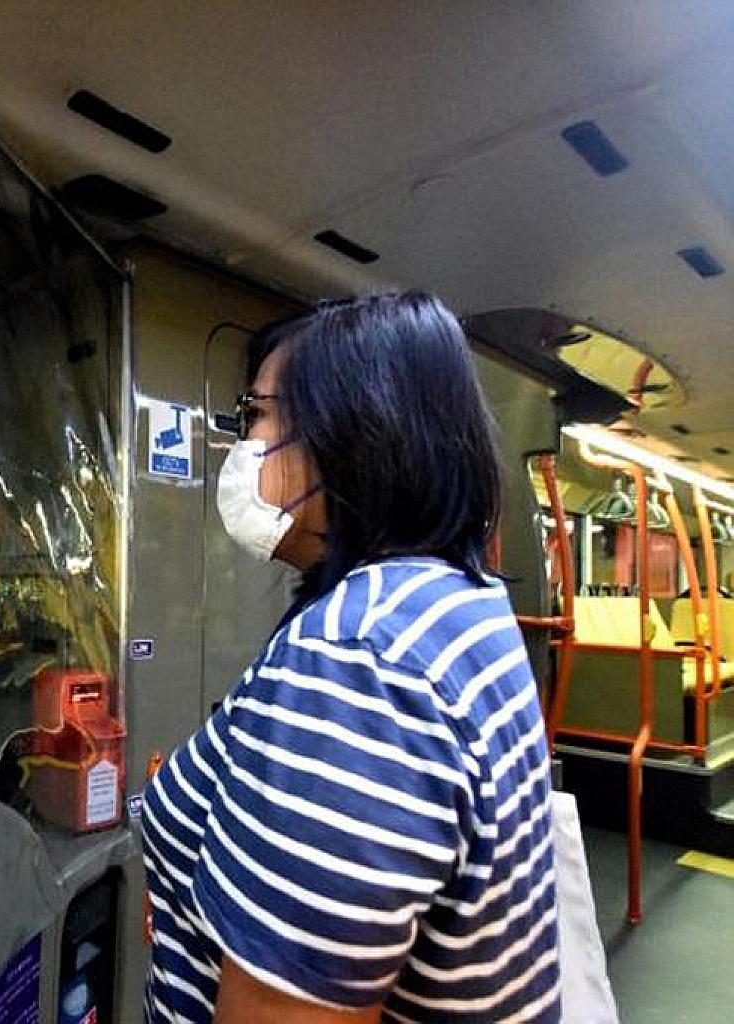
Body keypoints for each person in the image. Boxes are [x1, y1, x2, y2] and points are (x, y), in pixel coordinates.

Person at [142, 293, 558, 1022]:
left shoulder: (358, 659)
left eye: (257, 415)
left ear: (352, 434)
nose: (245, 447)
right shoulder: (455, 602)